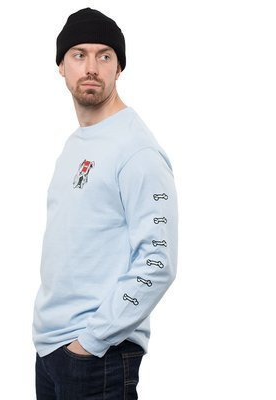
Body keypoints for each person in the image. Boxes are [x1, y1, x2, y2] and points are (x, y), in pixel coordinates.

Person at [32, 7, 179, 399]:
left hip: (98, 357)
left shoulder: (137, 150)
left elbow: (158, 260)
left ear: (119, 67)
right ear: (61, 65)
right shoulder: (75, 145)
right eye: (79, 54)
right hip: (51, 351)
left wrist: (92, 342)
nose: (91, 67)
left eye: (104, 56)